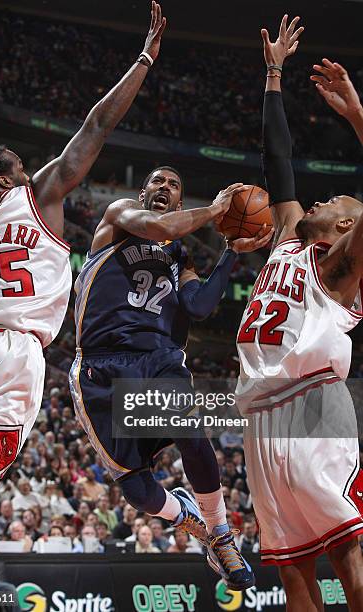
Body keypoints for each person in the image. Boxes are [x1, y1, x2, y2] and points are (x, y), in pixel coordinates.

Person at [0, 1, 167, 598]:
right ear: (4, 179)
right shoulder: (35, 197)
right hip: (14, 352)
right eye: (19, 167)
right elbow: (95, 127)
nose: (28, 172)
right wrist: (145, 57)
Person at [70, 157, 272, 590]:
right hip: (101, 364)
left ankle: (219, 534)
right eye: (157, 181)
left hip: (160, 357)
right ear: (143, 194)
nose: (165, 186)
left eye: (174, 184)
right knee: (138, 491)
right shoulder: (120, 216)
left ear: (180, 198)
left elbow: (198, 306)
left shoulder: (179, 254)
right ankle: (185, 516)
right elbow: (160, 228)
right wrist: (217, 211)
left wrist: (231, 255)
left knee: (192, 435)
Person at [235, 14, 363, 609]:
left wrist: (357, 116)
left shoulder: (341, 268)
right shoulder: (289, 235)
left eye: (333, 199)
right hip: (261, 413)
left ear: (345, 226)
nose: (316, 197)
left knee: (347, 550)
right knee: (291, 569)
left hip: (314, 404)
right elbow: (276, 157)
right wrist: (273, 74)